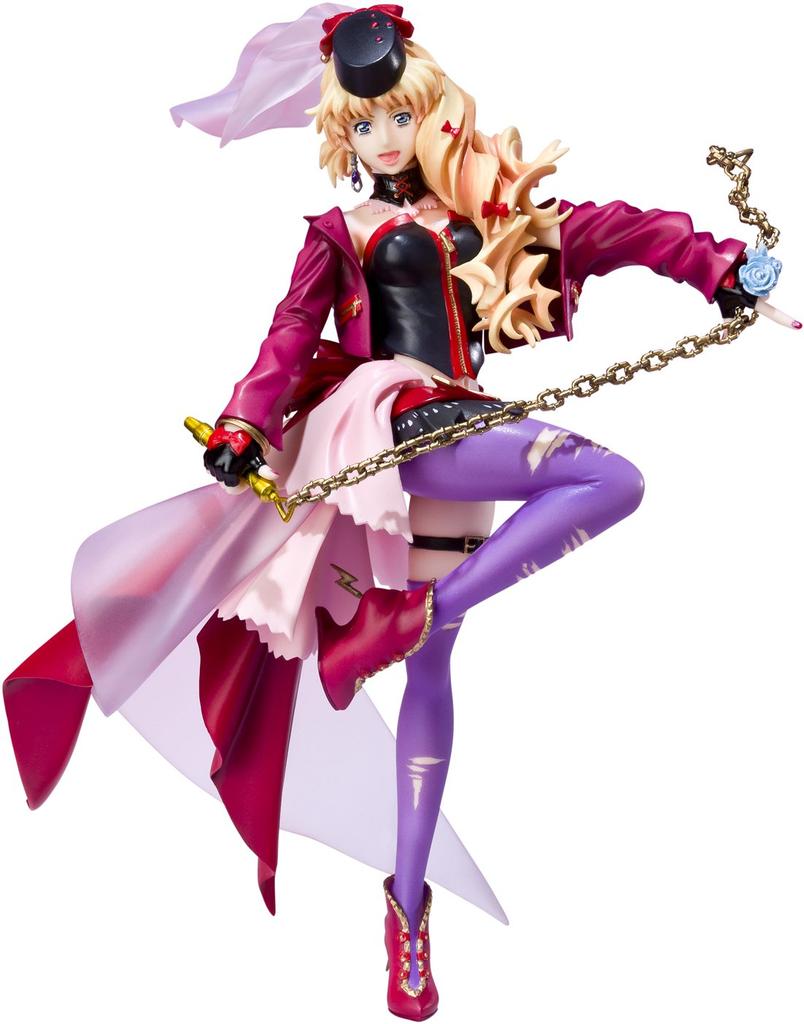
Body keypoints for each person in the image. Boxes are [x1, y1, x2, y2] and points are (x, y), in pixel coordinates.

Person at [3, 4, 778, 1020]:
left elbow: (608, 230)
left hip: (461, 434)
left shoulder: (487, 212)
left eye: (398, 118)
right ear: (342, 131)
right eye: (362, 124)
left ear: (432, 112)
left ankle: (406, 908)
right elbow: (289, 334)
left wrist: (716, 264)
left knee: (433, 668)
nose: (381, 138)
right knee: (610, 479)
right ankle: (407, 625)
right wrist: (243, 425)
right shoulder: (344, 233)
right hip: (388, 427)